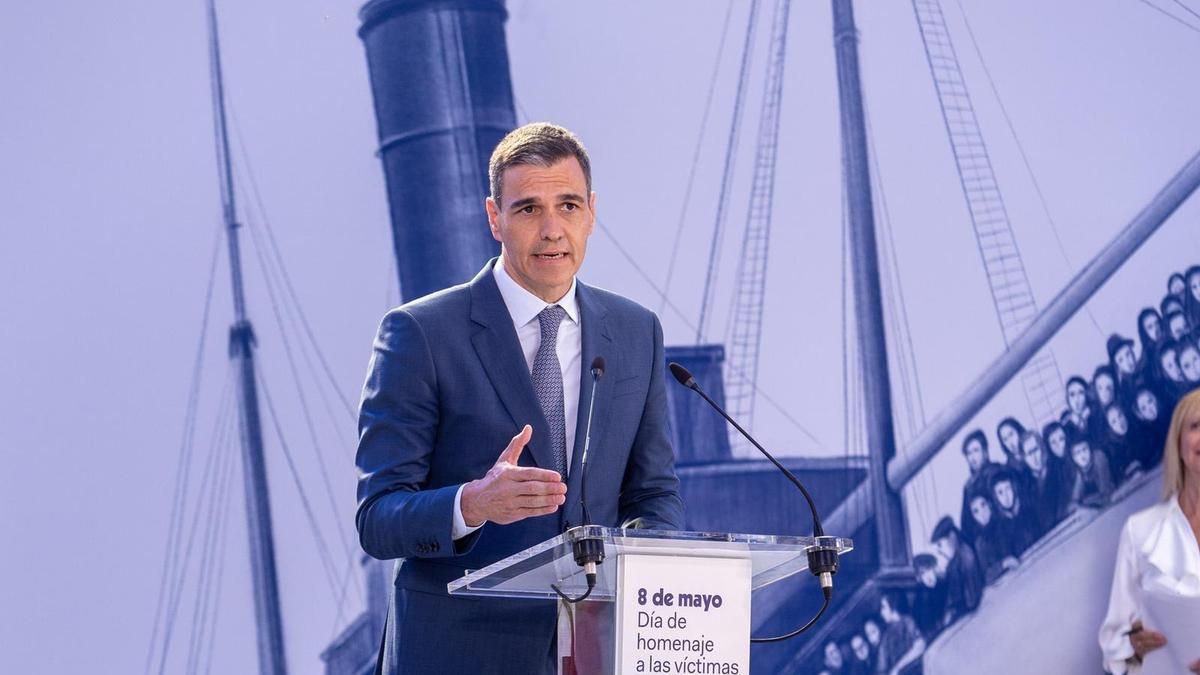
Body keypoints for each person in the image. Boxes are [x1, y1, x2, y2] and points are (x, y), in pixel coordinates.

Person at [355, 123, 685, 674]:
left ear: (592, 212)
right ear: (494, 218)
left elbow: (653, 492)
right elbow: (378, 517)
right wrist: (471, 504)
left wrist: (650, 561)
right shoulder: (421, 334)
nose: (553, 230)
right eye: (529, 208)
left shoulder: (636, 331)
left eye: (568, 206)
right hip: (460, 655)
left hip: (597, 652)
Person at [1098, 389, 1200, 674]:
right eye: (1196, 426)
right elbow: (1112, 648)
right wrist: (1133, 647)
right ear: (1178, 444)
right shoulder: (1140, 531)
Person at [931, 516, 985, 624]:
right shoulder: (953, 563)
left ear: (952, 537)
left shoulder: (967, 557)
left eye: (940, 545)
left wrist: (953, 612)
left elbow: (972, 602)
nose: (940, 551)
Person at [958, 429, 1000, 544]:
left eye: (976, 450)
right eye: (969, 453)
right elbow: (966, 526)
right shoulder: (969, 487)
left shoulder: (998, 472)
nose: (972, 457)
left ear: (985, 451)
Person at [874, 592, 926, 675]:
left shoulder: (907, 622)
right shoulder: (886, 636)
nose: (881, 612)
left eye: (884, 607)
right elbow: (881, 667)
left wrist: (898, 667)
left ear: (893, 606)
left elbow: (920, 646)